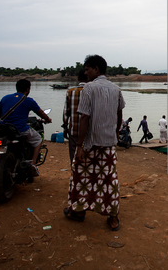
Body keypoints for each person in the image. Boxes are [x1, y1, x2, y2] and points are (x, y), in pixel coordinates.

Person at [64, 54, 125, 232]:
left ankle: (79, 212)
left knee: (80, 178)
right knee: (109, 179)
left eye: (87, 69)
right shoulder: (116, 89)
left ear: (96, 69)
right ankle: (113, 217)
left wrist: (80, 145)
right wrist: (115, 133)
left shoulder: (89, 88)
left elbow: (84, 117)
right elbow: (119, 113)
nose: (86, 72)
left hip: (90, 144)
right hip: (108, 144)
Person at [0, 79, 52, 176]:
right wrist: (47, 119)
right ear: (28, 89)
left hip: (4, 130)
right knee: (38, 139)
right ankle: (33, 164)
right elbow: (41, 113)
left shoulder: (5, 98)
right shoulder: (28, 100)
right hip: (20, 130)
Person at [63, 70, 88, 165]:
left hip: (74, 130)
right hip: (89, 132)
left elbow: (66, 113)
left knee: (74, 155)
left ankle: (75, 175)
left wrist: (65, 127)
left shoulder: (70, 92)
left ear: (78, 79)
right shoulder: (94, 92)